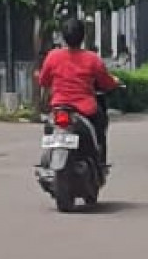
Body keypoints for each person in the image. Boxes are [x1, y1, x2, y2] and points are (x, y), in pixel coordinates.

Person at [36, 18, 121, 165]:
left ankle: (46, 162)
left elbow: (43, 81)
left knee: (49, 128)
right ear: (83, 37)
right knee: (100, 124)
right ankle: (99, 162)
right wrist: (116, 82)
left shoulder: (53, 56)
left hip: (59, 108)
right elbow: (106, 83)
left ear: (63, 37)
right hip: (85, 110)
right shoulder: (92, 59)